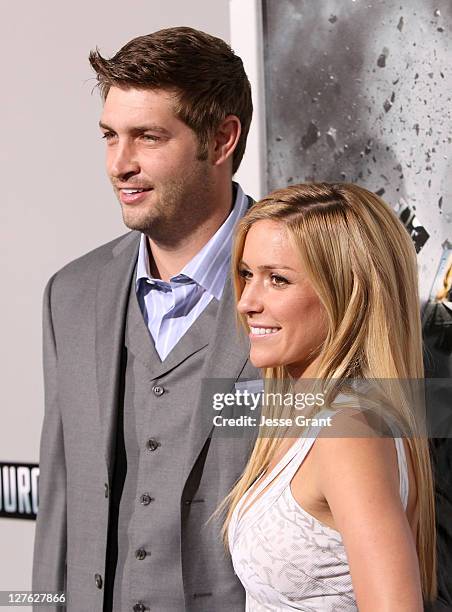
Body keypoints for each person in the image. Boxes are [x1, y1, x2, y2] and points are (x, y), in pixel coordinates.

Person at [32, 27, 260, 612]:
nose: (119, 164)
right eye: (109, 136)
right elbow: (61, 506)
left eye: (147, 137)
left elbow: (385, 485)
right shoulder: (71, 295)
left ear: (221, 139)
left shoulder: (316, 285)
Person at [223, 183, 437, 610]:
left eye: (277, 279)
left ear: (346, 294)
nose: (247, 301)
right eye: (247, 274)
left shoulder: (349, 434)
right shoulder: (310, 418)